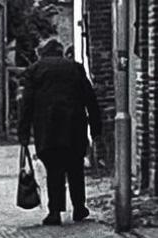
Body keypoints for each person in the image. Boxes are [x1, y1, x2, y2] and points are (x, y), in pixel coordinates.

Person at [18, 38, 102, 225]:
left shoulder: (35, 70)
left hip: (48, 129)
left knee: (54, 169)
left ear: (43, 54)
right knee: (75, 168)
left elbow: (27, 104)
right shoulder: (75, 68)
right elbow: (90, 98)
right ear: (61, 52)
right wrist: (96, 127)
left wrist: (23, 132)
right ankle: (79, 208)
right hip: (74, 127)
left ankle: (55, 211)